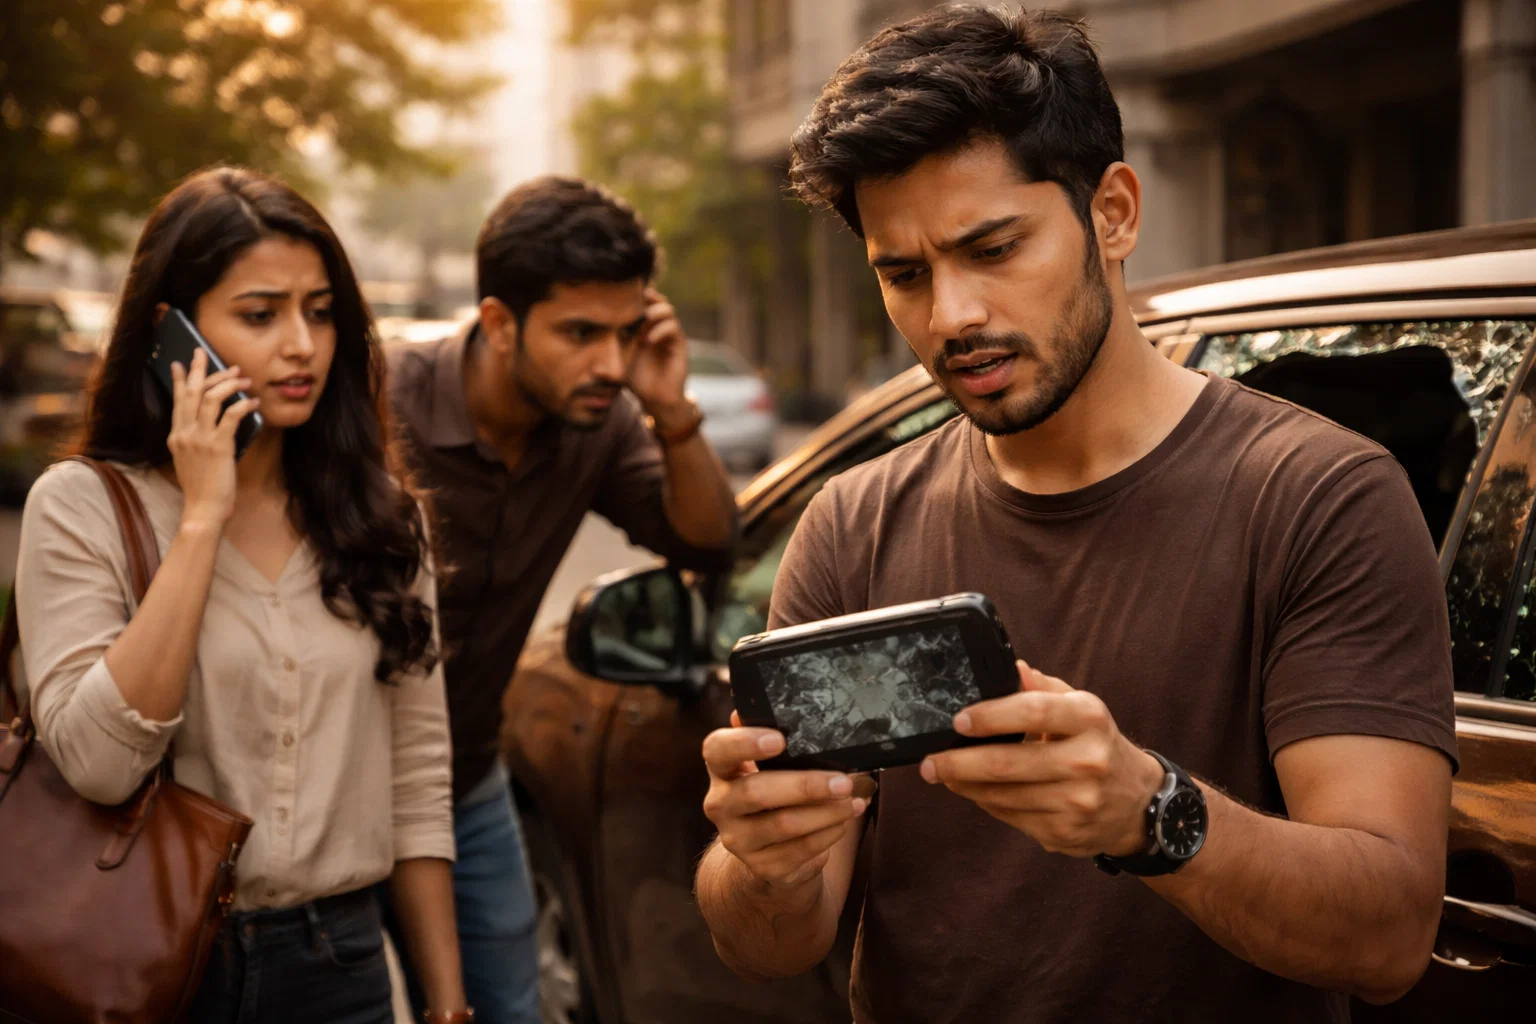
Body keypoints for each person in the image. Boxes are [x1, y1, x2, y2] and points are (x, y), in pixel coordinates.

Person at [693, 7, 1457, 1023]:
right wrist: (765, 857)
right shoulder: (853, 520)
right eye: (904, 274)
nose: (951, 314)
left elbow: (1391, 936)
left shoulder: (1320, 497)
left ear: (1115, 212)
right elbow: (772, 941)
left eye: (993, 247)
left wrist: (1152, 813)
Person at [14, 167, 473, 1024]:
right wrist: (203, 516)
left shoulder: (380, 517)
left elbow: (416, 782)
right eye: (260, 315)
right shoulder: (81, 507)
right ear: (171, 334)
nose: (301, 344)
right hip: (139, 960)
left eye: (322, 310)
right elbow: (100, 767)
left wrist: (448, 1004)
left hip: (339, 967)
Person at [384, 175, 738, 1022]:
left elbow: (705, 538)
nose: (610, 364)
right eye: (581, 333)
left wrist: (671, 410)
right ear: (500, 323)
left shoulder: (605, 419)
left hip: (465, 780)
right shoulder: (378, 399)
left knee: (509, 1008)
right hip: (326, 793)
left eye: (625, 332)